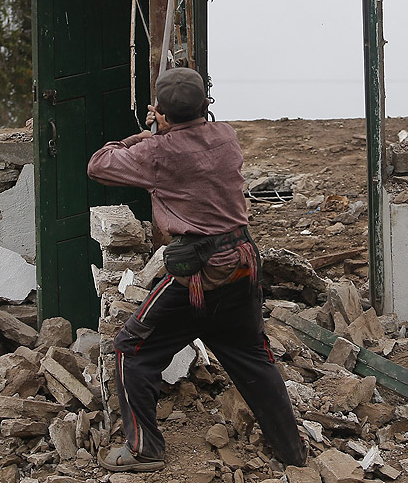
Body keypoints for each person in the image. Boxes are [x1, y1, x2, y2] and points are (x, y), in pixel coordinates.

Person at [87, 67, 307, 473]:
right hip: (243, 262)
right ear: (206, 105)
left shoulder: (158, 152)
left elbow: (99, 165)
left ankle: (144, 449)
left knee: (131, 350)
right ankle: (292, 453)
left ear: (163, 113)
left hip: (200, 276)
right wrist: (164, 129)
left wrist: (146, 135)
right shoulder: (226, 136)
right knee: (252, 357)